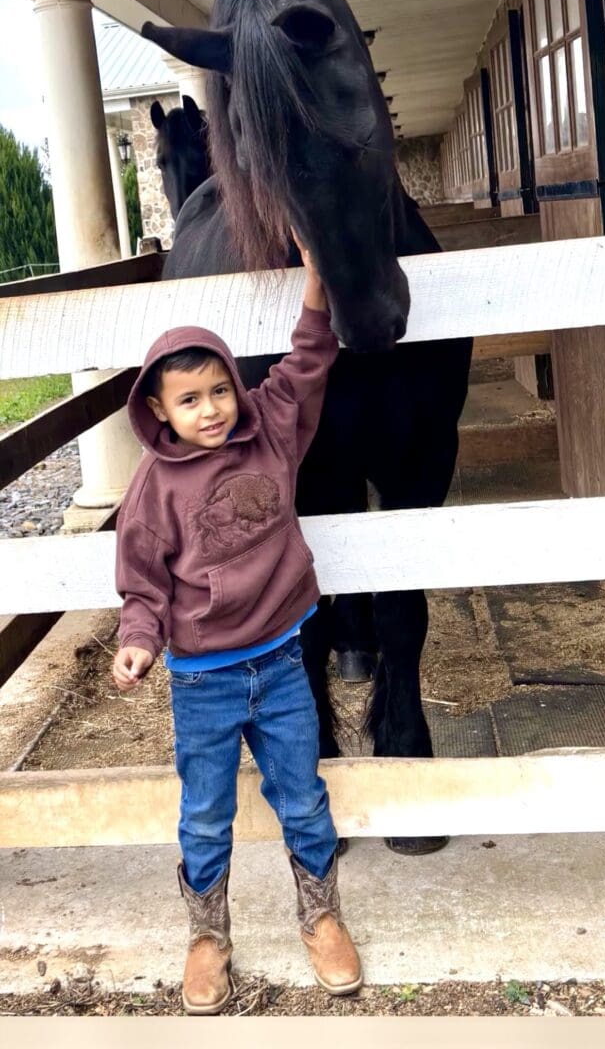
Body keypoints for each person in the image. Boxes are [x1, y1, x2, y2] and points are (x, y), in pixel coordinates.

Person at [112, 232, 362, 1015]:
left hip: (283, 662)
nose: (211, 410)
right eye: (189, 400)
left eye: (220, 390)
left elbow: (308, 360)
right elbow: (142, 586)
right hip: (203, 681)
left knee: (303, 796)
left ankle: (321, 916)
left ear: (235, 385)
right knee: (204, 814)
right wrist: (137, 643)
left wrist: (316, 281)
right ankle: (207, 937)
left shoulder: (272, 429)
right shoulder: (152, 491)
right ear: (158, 410)